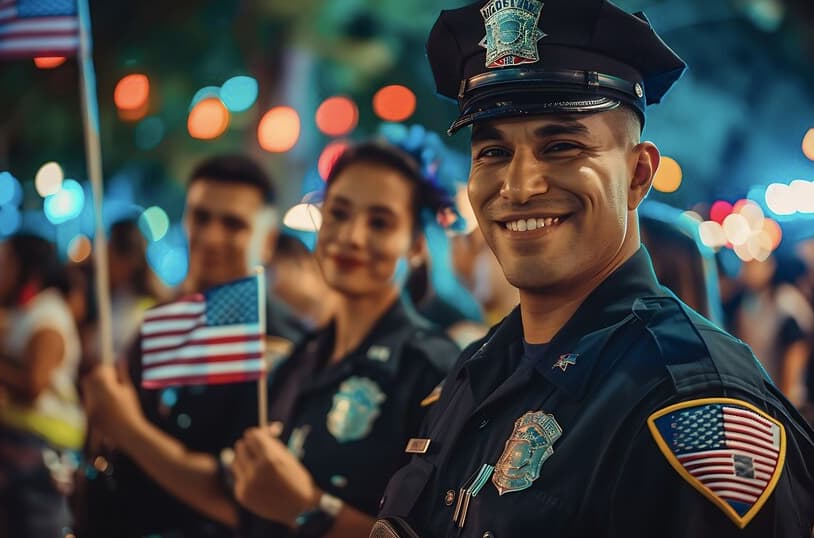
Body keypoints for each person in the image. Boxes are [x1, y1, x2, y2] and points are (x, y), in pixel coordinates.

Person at [372, 1, 814, 537]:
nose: (519, 185)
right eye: (492, 152)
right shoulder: (479, 368)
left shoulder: (692, 404)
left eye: (561, 146)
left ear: (638, 173)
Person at [231, 141, 459, 537]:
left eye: (380, 222)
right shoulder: (296, 362)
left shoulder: (432, 369)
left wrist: (311, 508)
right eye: (338, 213)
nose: (352, 237)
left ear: (417, 244)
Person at [77, 154, 304, 538]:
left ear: (266, 242)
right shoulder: (161, 322)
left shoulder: (282, 345)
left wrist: (127, 428)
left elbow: (244, 500)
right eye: (201, 217)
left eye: (233, 224)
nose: (211, 236)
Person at [0, 233, 84, 537]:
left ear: (24, 266)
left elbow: (34, 383)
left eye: (5, 261)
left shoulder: (47, 316)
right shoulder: (31, 311)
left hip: (40, 448)